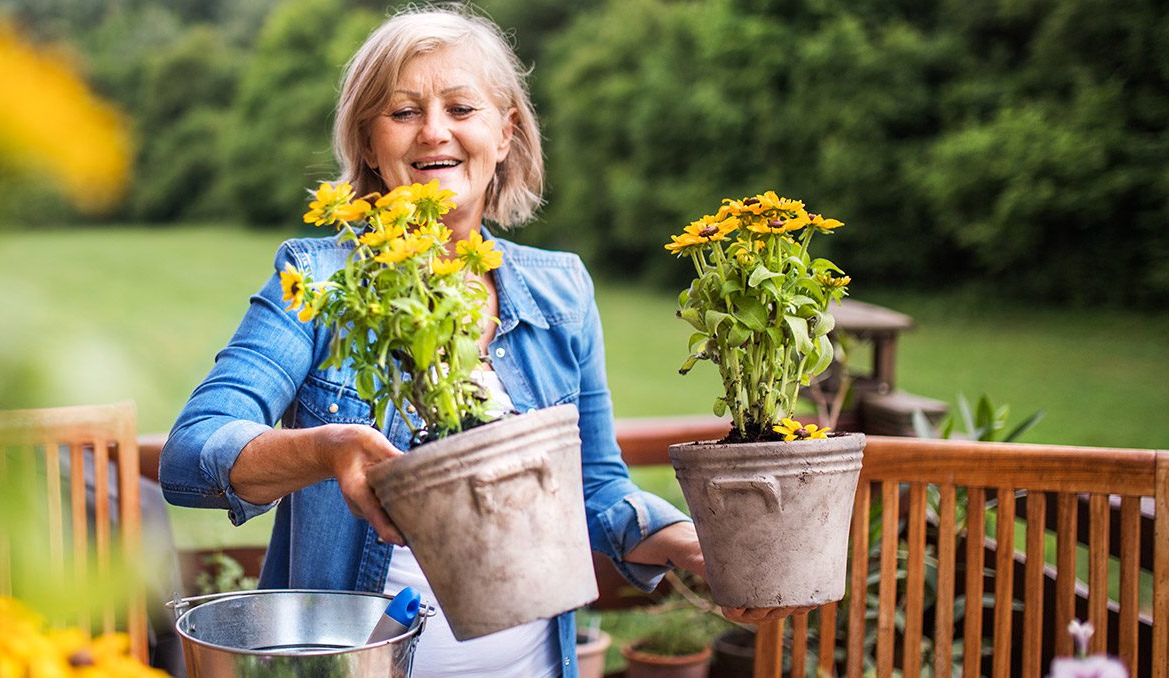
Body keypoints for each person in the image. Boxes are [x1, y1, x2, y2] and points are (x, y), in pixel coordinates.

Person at [160, 7, 802, 676]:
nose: (434, 131)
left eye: (462, 107)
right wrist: (328, 449)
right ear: (369, 142)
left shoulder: (561, 292)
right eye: (403, 112)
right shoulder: (319, 280)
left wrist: (690, 546)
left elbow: (599, 490)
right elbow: (192, 452)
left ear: (505, 133)